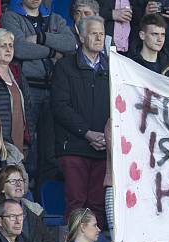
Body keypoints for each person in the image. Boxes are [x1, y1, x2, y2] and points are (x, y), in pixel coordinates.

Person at [0, 0, 77, 157]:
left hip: (55, 88)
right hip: (28, 87)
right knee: (27, 142)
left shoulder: (55, 18)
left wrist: (41, 38)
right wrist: (53, 52)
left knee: (50, 144)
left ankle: (45, 181)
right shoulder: (10, 17)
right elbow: (20, 49)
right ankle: (25, 180)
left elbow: (70, 44)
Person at [51, 15, 109, 226]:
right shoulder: (65, 66)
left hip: (104, 147)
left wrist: (105, 135)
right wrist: (87, 133)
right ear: (81, 36)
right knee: (76, 204)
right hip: (73, 146)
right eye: (94, 33)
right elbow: (60, 106)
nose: (98, 37)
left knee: (98, 206)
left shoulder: (112, 68)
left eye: (102, 33)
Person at [131, 14, 169, 80]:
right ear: (142, 35)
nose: (160, 39)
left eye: (163, 35)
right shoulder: (130, 64)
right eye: (155, 34)